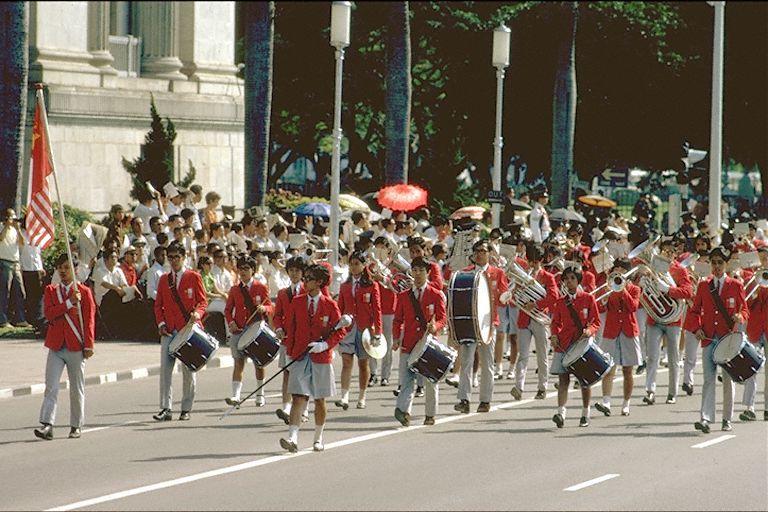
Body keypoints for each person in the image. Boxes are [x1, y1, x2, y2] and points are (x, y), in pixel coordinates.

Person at [280, 264, 348, 453]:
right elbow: (291, 329)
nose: (305, 281)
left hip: (321, 357)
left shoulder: (330, 304)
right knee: (298, 397)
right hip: (300, 355)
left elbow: (340, 330)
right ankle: (292, 438)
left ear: (319, 282)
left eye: (308, 278)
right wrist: (289, 353)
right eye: (305, 278)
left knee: (319, 399)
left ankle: (318, 438)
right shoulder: (297, 301)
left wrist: (325, 345)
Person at [34, 254, 96, 440]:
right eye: (60, 267)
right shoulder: (51, 290)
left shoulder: (84, 292)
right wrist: (69, 303)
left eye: (66, 267)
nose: (62, 271)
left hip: (76, 345)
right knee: (51, 386)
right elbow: (50, 314)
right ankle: (47, 424)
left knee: (77, 388)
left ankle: (76, 425)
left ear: (75, 270)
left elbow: (89, 320)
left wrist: (89, 344)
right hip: (56, 345)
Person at [688, 247, 747, 433]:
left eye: (720, 262)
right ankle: (705, 418)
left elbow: (745, 310)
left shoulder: (736, 285)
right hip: (708, 339)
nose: (716, 266)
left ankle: (726, 419)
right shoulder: (704, 285)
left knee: (728, 381)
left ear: (726, 264)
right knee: (708, 380)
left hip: (727, 340)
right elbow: (694, 311)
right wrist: (696, 328)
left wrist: (740, 317)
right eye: (713, 263)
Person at [152, 242, 208, 422]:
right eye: (171, 257)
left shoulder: (193, 276)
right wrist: (161, 324)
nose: (174, 261)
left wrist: (197, 314)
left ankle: (186, 408)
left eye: (177, 257)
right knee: (165, 371)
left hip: (187, 330)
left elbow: (202, 302)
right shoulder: (163, 279)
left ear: (183, 257)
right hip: (169, 330)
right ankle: (166, 408)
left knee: (188, 371)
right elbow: (157, 305)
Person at [454, 240, 509, 413]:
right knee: (466, 361)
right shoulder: (466, 273)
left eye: (483, 251)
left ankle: (485, 400)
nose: (479, 254)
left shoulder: (498, 273)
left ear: (489, 253)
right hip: (470, 323)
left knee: (487, 363)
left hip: (488, 323)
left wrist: (505, 296)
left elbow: (504, 295)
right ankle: (464, 399)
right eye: (477, 251)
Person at [392, 256, 447, 426]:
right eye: (414, 270)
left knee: (431, 381)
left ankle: (430, 414)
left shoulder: (436, 294)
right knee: (407, 380)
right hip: (408, 343)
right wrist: (395, 338)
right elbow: (397, 319)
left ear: (428, 272)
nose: (417, 274)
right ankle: (403, 411)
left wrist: (435, 326)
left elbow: (443, 318)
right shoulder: (403, 296)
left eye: (421, 270)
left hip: (428, 344)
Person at [642, 238, 694, 405]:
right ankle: (650, 390)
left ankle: (673, 392)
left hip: (673, 319)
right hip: (654, 317)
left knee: (673, 357)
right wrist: (642, 282)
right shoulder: (652, 268)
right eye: (666, 251)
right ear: (660, 252)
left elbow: (687, 292)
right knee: (652, 357)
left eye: (672, 252)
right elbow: (643, 291)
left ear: (676, 253)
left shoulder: (680, 270)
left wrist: (668, 290)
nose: (669, 254)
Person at [549, 266, 601, 428]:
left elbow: (596, 322)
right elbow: (555, 323)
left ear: (578, 280)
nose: (569, 281)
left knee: (584, 381)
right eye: (566, 279)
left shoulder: (587, 298)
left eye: (572, 278)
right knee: (563, 379)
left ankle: (585, 413)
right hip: (564, 344)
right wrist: (555, 335)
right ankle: (561, 413)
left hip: (582, 344)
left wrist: (589, 331)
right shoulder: (560, 301)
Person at [509, 244, 559, 401]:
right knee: (522, 355)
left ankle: (542, 387)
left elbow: (553, 297)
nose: (533, 265)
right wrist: (516, 292)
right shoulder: (523, 275)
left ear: (542, 261)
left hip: (540, 318)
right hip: (524, 318)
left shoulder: (548, 277)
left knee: (542, 354)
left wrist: (536, 304)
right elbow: (514, 293)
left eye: (536, 262)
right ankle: (519, 387)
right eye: (531, 261)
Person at [594, 259, 642, 417]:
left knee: (628, 370)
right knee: (608, 368)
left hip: (628, 330)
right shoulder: (609, 288)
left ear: (628, 273)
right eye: (617, 269)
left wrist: (623, 289)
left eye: (622, 269)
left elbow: (633, 307)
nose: (619, 272)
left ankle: (626, 403)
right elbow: (600, 307)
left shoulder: (634, 289)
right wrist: (607, 296)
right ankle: (606, 402)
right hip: (611, 331)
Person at [224, 256, 274, 407]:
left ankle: (260, 394)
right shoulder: (234, 289)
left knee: (259, 364)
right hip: (239, 329)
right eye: (241, 269)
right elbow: (227, 310)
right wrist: (231, 323)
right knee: (238, 362)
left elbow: (271, 307)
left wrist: (264, 308)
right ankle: (236, 396)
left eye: (246, 268)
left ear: (253, 270)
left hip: (256, 330)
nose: (243, 272)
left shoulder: (261, 287)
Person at [335, 251, 382, 410]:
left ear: (363, 266)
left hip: (365, 329)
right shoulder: (345, 286)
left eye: (357, 264)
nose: (354, 267)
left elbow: (377, 310)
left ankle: (362, 396)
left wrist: (378, 332)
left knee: (363, 363)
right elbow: (339, 309)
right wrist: (337, 327)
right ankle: (344, 396)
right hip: (348, 328)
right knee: (346, 361)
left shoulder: (372, 285)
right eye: (351, 264)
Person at [272, 257, 308, 424]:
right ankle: (286, 407)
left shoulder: (307, 292)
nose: (294, 274)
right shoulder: (282, 293)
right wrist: (278, 328)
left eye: (297, 271)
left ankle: (304, 409)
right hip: (287, 340)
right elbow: (277, 315)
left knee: (303, 375)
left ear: (303, 273)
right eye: (291, 270)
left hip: (304, 340)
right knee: (286, 374)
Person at [740, 248, 768, 422]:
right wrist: (753, 294)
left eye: (766, 258)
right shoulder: (751, 280)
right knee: (751, 368)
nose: (764, 262)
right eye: (762, 259)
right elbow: (744, 304)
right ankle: (750, 407)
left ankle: (766, 408)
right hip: (754, 329)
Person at [0, 208, 28, 328]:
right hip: (4, 261)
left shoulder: (16, 230)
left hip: (15, 262)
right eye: (12, 217)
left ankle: (20, 318)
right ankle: (2, 319)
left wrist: (17, 229)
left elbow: (22, 243)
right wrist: (6, 225)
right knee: (5, 291)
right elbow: (1, 238)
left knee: (20, 292)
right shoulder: (1, 227)